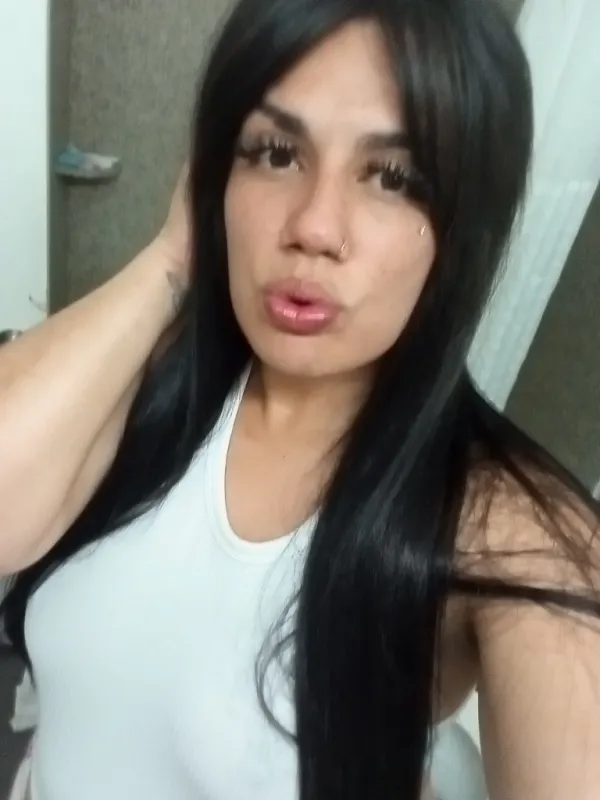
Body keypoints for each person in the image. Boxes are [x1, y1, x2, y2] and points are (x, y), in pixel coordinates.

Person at [1, 0, 599, 798]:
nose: (315, 227)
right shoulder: (154, 375)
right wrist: (172, 258)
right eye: (276, 153)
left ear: (463, 226)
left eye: (394, 177)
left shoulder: (508, 532)